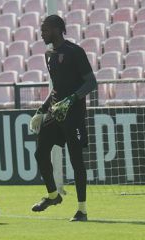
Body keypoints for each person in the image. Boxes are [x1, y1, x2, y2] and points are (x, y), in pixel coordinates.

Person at [29, 15, 97, 222]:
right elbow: (56, 87)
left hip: (73, 114)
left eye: (45, 29)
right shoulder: (48, 54)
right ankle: (53, 196)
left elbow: (91, 83)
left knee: (76, 161)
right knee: (40, 153)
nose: (42, 33)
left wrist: (71, 99)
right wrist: (41, 109)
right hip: (55, 112)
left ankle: (82, 210)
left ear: (57, 29)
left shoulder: (75, 52)